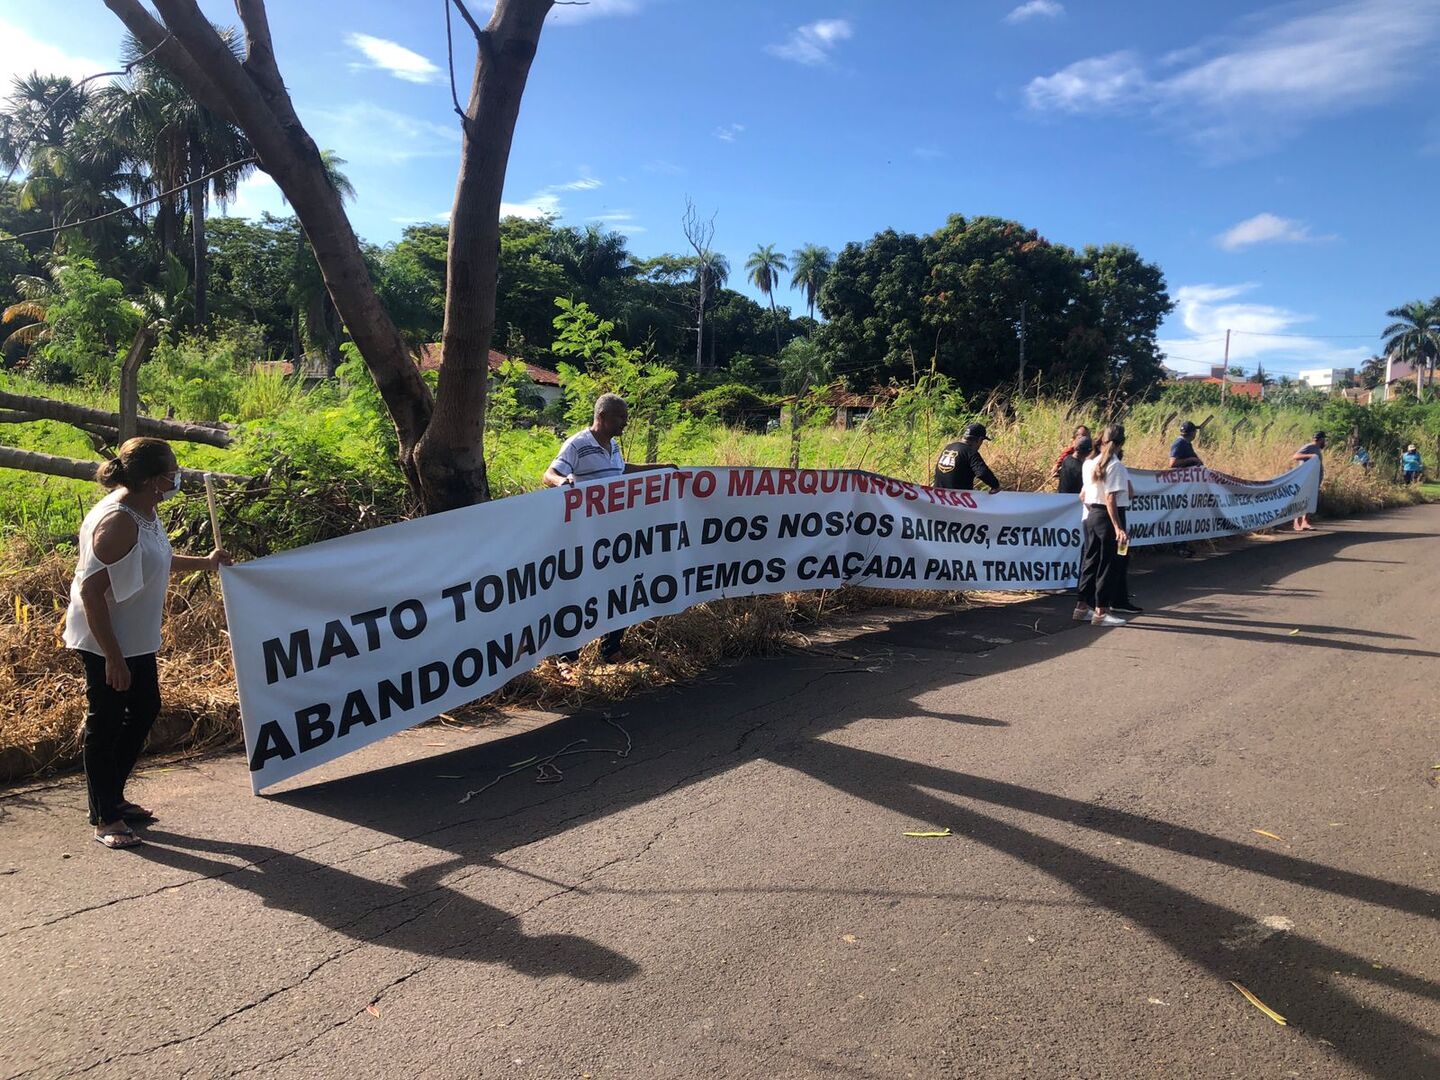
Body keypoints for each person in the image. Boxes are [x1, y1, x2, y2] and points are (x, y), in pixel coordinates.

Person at [63, 438, 229, 850]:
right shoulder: (118, 521)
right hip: (106, 639)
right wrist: (113, 658)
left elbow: (155, 556)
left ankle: (108, 798)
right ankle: (106, 818)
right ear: (155, 480)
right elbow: (90, 592)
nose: (177, 475)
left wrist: (205, 563)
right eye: (172, 469)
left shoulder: (144, 510)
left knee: (144, 708)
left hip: (134, 637)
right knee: (105, 721)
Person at [543, 393, 675, 662]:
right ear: (601, 417)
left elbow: (621, 470)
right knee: (584, 593)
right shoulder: (578, 445)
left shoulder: (612, 446)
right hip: (587, 534)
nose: (625, 424)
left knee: (620, 590)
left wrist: (660, 468)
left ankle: (611, 648)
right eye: (620, 418)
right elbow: (548, 474)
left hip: (614, 534)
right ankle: (568, 658)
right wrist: (561, 483)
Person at [1075, 424, 1131, 627]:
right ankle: (1101, 610)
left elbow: (1083, 495)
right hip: (1107, 516)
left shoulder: (1090, 463)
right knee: (1108, 564)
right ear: (1121, 443)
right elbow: (1110, 498)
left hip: (1092, 514)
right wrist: (1118, 527)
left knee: (1090, 561)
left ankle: (1081, 606)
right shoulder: (1115, 464)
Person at [934, 423, 1001, 492]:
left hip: (938, 496)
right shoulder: (970, 452)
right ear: (980, 439)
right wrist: (995, 486)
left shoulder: (949, 447)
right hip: (957, 498)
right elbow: (982, 472)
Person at [1291, 430, 1326, 531]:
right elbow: (1295, 456)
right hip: (1305, 479)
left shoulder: (1317, 448)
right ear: (1322, 439)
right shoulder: (1309, 447)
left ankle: (1305, 522)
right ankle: (1296, 522)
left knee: (1309, 500)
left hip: (1313, 480)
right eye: (1324, 439)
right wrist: (1310, 456)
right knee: (1300, 499)